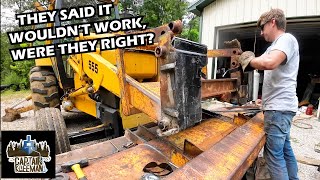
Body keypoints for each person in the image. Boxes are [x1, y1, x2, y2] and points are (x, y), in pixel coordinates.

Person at [238, 8, 299, 180]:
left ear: (273, 22)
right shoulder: (274, 47)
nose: (262, 32)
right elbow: (263, 62)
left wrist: (249, 60)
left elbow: (269, 63)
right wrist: (263, 100)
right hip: (280, 107)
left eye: (263, 27)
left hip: (278, 110)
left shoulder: (286, 39)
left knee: (274, 156)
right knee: (285, 151)